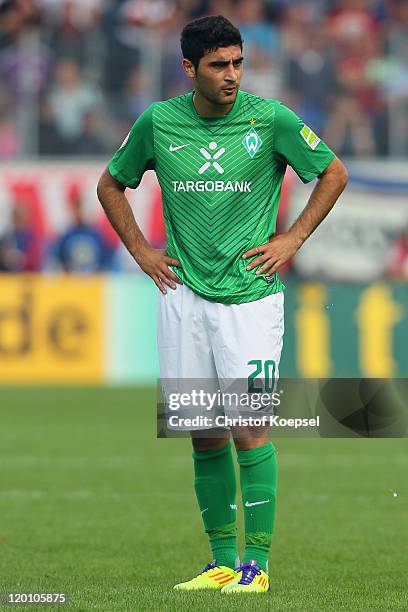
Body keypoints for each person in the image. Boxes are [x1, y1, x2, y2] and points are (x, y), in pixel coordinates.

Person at [97, 15, 348, 594]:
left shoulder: (271, 119)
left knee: (249, 428)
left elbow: (332, 171)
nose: (232, 74)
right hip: (182, 297)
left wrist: (292, 238)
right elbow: (111, 183)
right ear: (189, 68)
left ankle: (255, 568)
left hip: (250, 302)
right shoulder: (159, 123)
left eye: (237, 62)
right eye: (218, 65)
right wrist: (141, 251)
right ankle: (220, 562)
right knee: (203, 432)